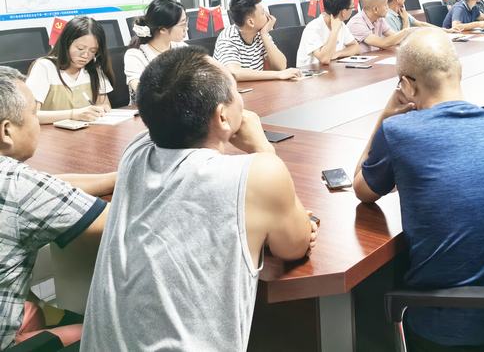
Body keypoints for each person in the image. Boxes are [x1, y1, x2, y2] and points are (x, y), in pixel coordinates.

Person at [82, 47, 318, 351]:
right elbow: (294, 245)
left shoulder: (135, 152)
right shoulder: (260, 173)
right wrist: (263, 148)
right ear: (222, 116)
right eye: (235, 89)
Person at [353, 29, 484, 350]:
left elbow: (362, 190)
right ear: (459, 71)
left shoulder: (399, 131)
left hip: (450, 330)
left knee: (369, 294)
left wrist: (386, 115)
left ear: (406, 85)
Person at [0, 66, 114, 350]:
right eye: (33, 115)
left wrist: (116, 177)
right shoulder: (19, 185)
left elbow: (48, 185)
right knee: (107, 330)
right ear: (6, 131)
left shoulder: (20, 182)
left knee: (36, 307)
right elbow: (117, 224)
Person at [26, 16, 113, 124]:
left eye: (93, 51)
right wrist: (73, 114)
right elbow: (30, 116)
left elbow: (105, 105)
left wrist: (103, 110)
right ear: (66, 43)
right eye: (80, 48)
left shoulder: (93, 69)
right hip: (52, 133)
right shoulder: (45, 67)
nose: (85, 55)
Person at [213, 0, 302, 82]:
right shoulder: (228, 37)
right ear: (251, 22)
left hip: (255, 87)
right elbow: (235, 73)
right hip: (233, 89)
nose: (268, 16)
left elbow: (281, 66)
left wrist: (264, 35)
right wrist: (278, 75)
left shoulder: (260, 34)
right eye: (263, 13)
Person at [124, 0, 187, 102]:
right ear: (163, 29)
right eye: (182, 24)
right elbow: (143, 93)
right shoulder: (136, 55)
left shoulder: (181, 47)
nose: (186, 28)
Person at [296, 0, 361, 66]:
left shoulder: (341, 24)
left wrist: (338, 53)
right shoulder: (313, 28)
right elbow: (324, 59)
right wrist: (334, 31)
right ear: (343, 12)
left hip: (331, 69)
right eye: (352, 7)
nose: (352, 10)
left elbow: (356, 47)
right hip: (312, 72)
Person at [347, 0, 414, 52]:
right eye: (385, 5)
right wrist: (407, 31)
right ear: (375, 9)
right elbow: (383, 43)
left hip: (374, 57)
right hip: (359, 59)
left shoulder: (379, 19)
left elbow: (394, 37)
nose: (388, 8)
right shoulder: (356, 23)